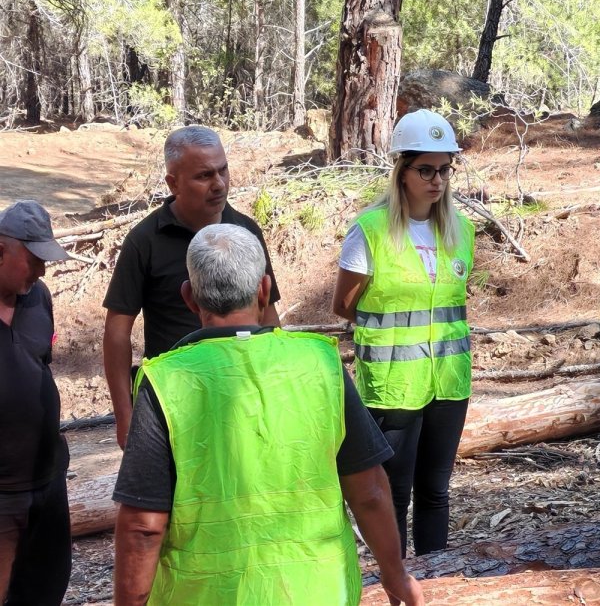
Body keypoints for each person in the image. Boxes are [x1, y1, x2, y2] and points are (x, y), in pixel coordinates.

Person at [113, 224, 422, 605]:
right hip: (320, 591)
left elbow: (143, 527)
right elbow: (370, 491)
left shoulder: (164, 381)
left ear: (190, 298)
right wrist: (395, 576)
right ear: (263, 290)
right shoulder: (320, 363)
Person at [332, 109, 475, 557]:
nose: (437, 180)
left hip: (449, 382)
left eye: (445, 170)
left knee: (436, 491)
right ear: (402, 171)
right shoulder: (370, 231)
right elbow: (344, 305)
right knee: (394, 493)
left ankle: (434, 582)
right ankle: (393, 584)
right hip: (393, 385)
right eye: (426, 170)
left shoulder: (461, 230)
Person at [103, 125, 281, 449]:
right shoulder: (145, 241)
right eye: (204, 176)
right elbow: (117, 332)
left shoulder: (246, 231)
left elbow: (268, 315)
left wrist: (276, 386)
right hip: (175, 404)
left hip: (245, 396)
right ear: (173, 183)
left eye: (223, 170)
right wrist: (124, 414)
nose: (219, 184)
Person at [0, 201, 72, 605]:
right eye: (33, 260)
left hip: (48, 483)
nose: (42, 271)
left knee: (45, 589)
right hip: (2, 495)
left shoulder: (38, 297)